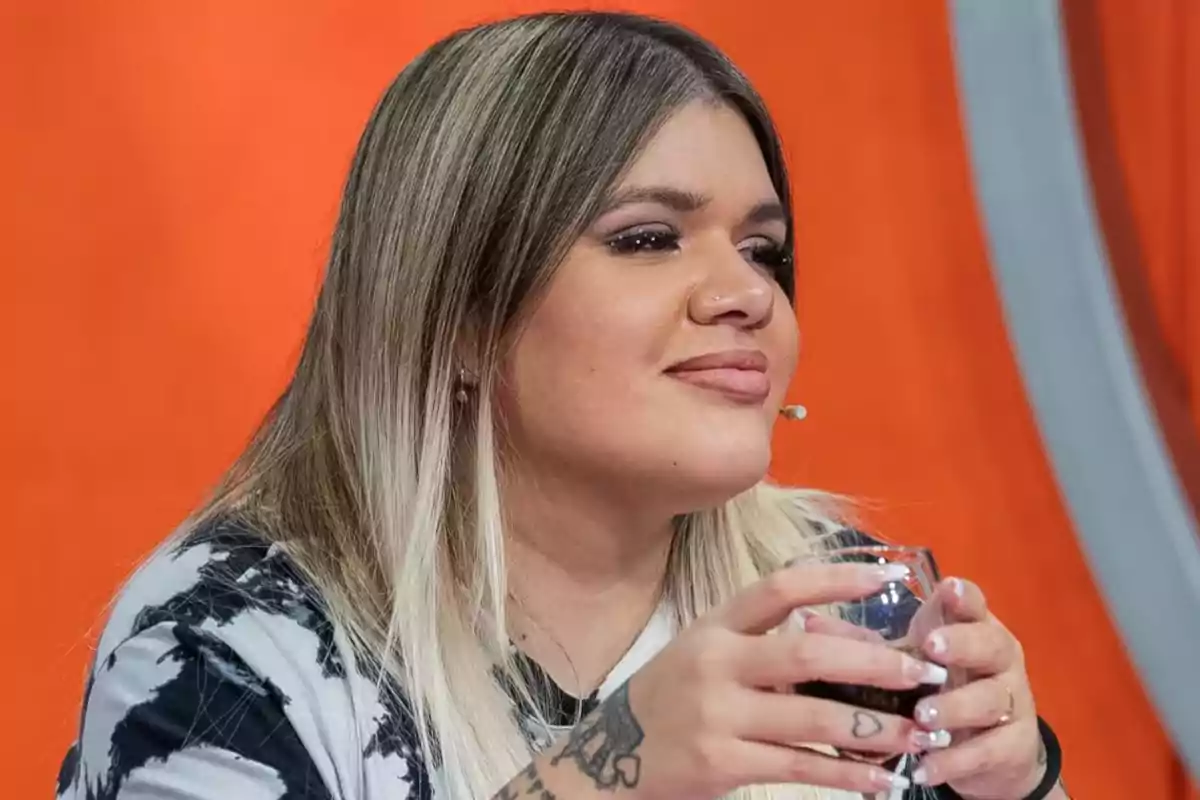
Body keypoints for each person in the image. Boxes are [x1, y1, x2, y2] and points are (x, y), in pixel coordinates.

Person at [56, 11, 1068, 800]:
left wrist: (1020, 779)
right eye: (646, 238)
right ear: (456, 314)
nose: (748, 294)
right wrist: (609, 767)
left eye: (765, 251)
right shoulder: (240, 638)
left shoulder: (835, 599)